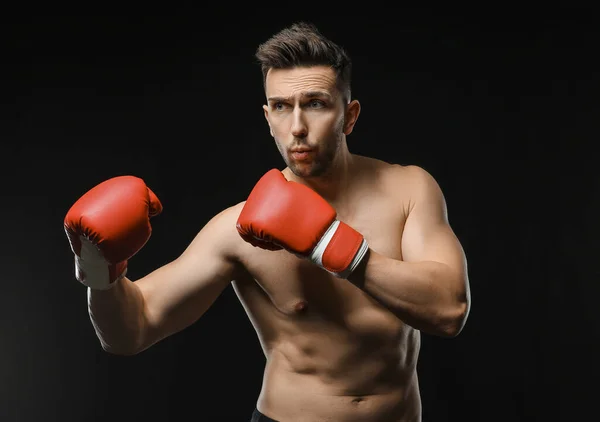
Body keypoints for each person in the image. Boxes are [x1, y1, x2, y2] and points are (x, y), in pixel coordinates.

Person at [64, 22, 471, 422]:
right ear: (267, 117)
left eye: (315, 103)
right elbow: (131, 332)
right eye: (281, 106)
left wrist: (330, 243)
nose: (297, 128)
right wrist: (101, 273)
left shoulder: (410, 190)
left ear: (349, 116)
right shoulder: (237, 229)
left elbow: (449, 310)